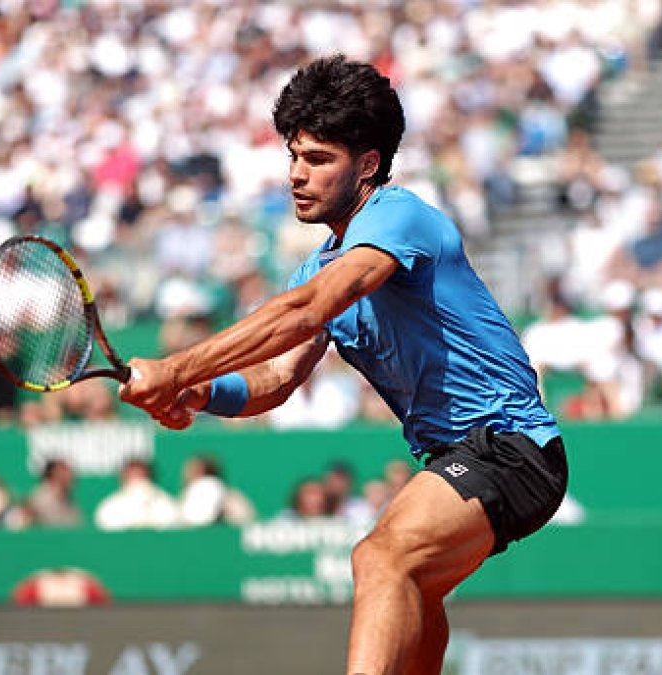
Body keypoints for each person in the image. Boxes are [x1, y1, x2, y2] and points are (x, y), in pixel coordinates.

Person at [119, 56, 567, 674]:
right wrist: (199, 392)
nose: (297, 175)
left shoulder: (400, 216)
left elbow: (310, 308)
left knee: (379, 557)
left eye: (318, 159)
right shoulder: (318, 267)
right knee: (411, 584)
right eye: (293, 157)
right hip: (460, 457)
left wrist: (176, 369)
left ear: (368, 165)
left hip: (512, 447)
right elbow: (277, 379)